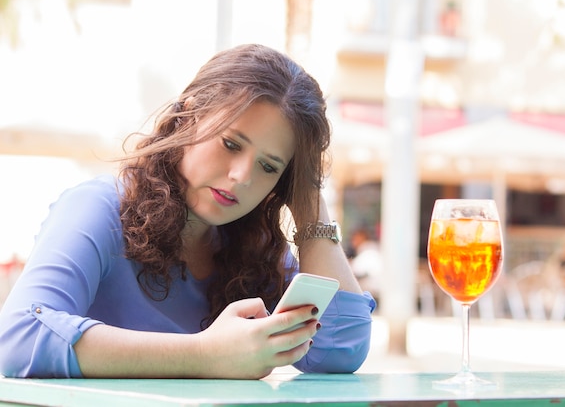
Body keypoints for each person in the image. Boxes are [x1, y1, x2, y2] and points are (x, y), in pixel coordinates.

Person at [0, 44, 376, 379]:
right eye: (230, 143)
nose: (241, 176)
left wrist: (310, 204)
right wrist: (206, 354)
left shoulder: (253, 247)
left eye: (269, 166)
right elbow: (19, 336)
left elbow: (339, 350)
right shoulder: (99, 208)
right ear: (189, 115)